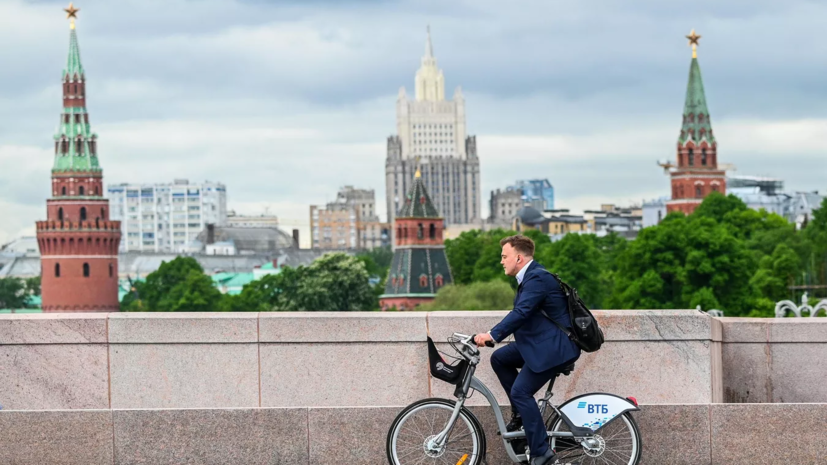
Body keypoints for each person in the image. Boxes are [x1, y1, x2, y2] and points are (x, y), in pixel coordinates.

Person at [474, 235, 580, 465]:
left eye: (504, 256)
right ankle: (522, 416)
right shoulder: (530, 278)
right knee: (500, 358)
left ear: (518, 258)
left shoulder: (537, 279)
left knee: (521, 392)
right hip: (542, 344)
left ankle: (541, 452)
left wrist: (491, 335)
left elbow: (521, 313)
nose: (501, 261)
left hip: (556, 349)